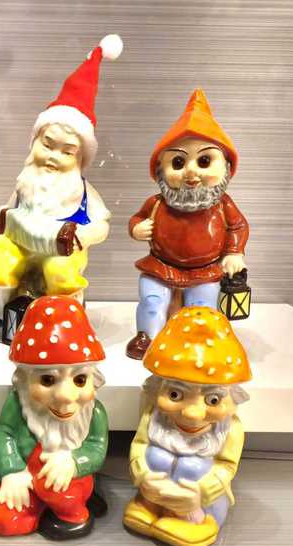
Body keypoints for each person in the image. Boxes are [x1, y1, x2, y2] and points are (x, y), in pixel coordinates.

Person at [0, 35, 122, 341]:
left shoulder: (82, 192)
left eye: (66, 152)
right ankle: (0, 317)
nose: (53, 156)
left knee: (60, 271)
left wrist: (84, 235)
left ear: (80, 158)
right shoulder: (26, 181)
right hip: (21, 244)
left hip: (59, 249)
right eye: (47, 145)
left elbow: (102, 224)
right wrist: (1, 216)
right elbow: (10, 207)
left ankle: (65, 322)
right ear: (34, 142)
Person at [125, 89, 249, 359]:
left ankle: (194, 341)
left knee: (201, 308)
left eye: (204, 161)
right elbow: (137, 218)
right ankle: (148, 338)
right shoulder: (156, 203)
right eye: (178, 162)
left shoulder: (223, 205)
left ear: (226, 167)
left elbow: (238, 227)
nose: (191, 171)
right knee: (152, 301)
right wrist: (136, 228)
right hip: (160, 267)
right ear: (161, 169)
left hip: (205, 271)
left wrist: (234, 252)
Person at [124, 306, 251, 546]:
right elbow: (140, 445)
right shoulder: (153, 415)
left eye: (212, 399)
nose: (192, 413)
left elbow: (226, 467)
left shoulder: (230, 429)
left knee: (193, 465)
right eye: (175, 394)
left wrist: (199, 493)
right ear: (158, 388)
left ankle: (198, 521)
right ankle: (149, 507)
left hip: (200, 502)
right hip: (153, 492)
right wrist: (143, 476)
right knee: (156, 455)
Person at [0, 295, 108, 540]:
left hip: (69, 476)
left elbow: (96, 448)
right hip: (27, 476)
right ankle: (40, 508)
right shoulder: (17, 404)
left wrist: (75, 462)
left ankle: (75, 516)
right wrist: (12, 472)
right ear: (24, 378)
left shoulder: (93, 412)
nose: (65, 396)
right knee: (2, 519)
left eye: (80, 379)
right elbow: (6, 433)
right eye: (48, 379)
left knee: (60, 492)